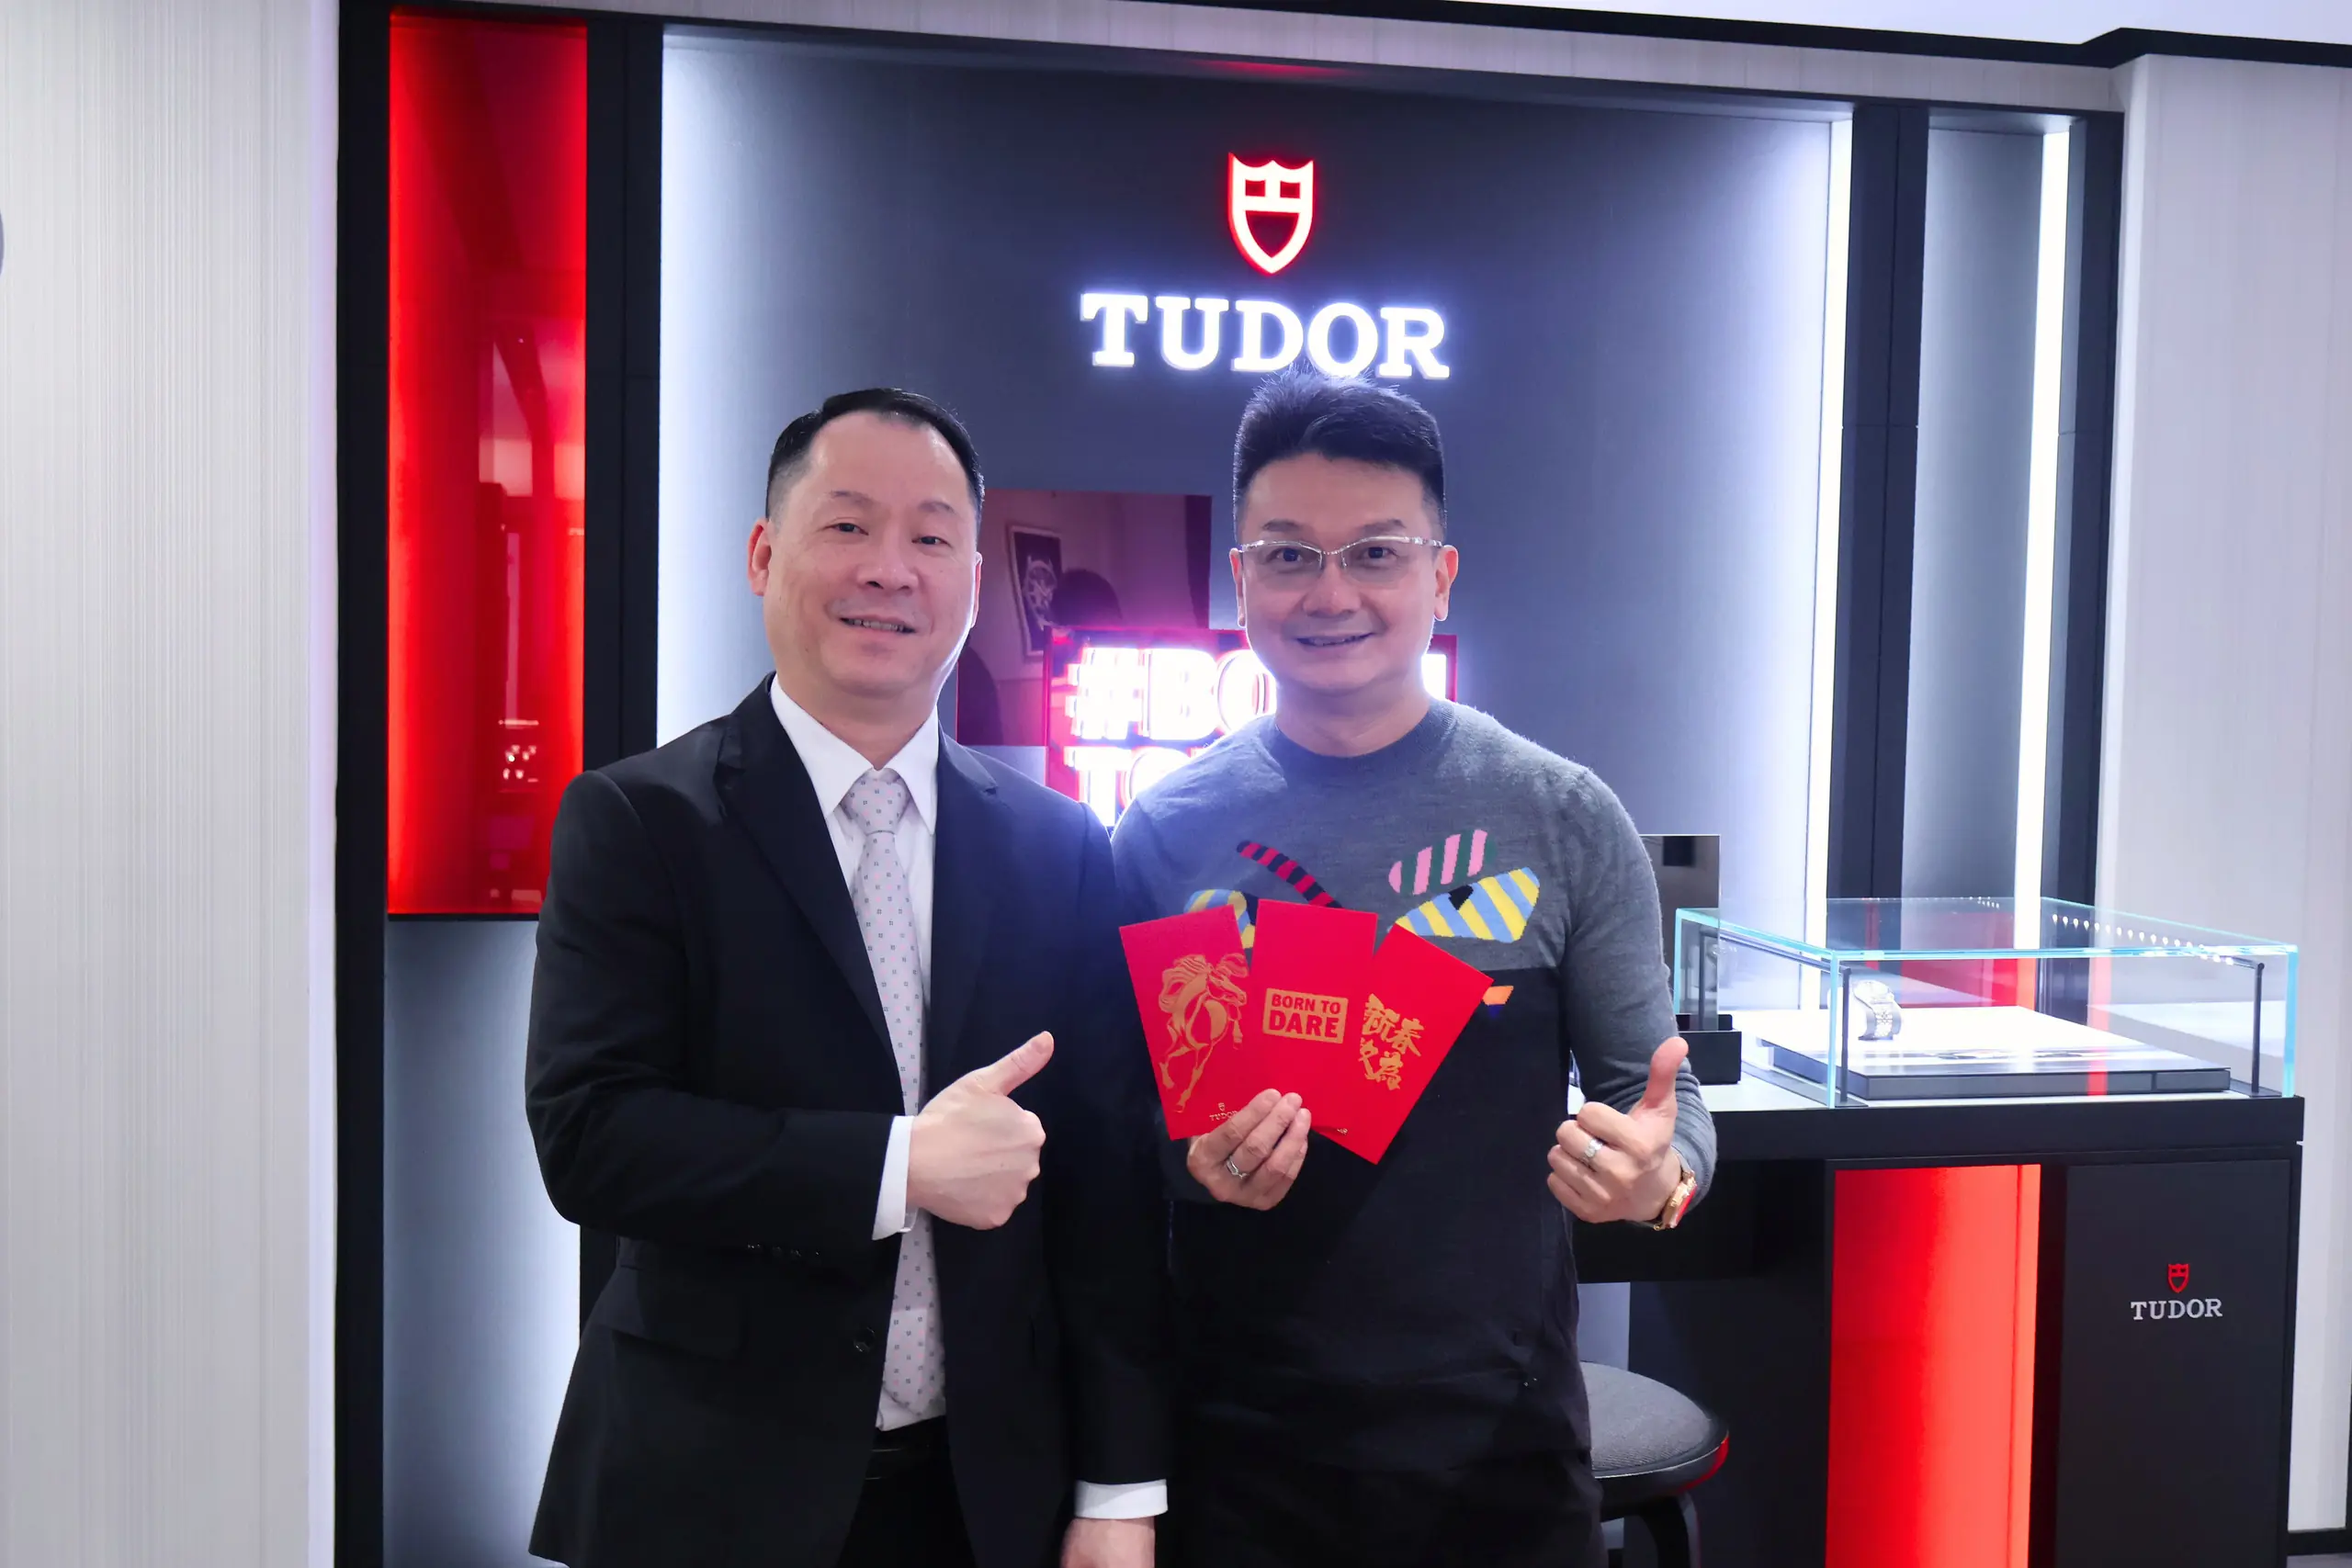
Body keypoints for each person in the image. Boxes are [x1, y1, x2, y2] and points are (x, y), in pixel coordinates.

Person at [526, 389, 1170, 1568]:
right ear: (763, 555)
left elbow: (1105, 1190)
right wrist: (899, 1165)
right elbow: (592, 1137)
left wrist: (1119, 1491)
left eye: (930, 536)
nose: (889, 568)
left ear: (969, 581)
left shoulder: (1060, 847)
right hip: (708, 1488)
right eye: (847, 525)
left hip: (988, 1497)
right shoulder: (637, 823)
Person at [1111, 370, 1714, 1568]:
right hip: (1239, 1441)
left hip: (1498, 1447)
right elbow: (1121, 1132)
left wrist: (1659, 1178)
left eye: (1375, 553)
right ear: (1241, 580)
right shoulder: (1167, 832)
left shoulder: (1560, 815)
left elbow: (1663, 1100)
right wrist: (1186, 1163)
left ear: (1439, 575)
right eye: (1289, 555)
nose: (1330, 591)